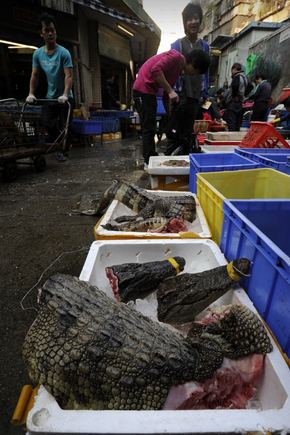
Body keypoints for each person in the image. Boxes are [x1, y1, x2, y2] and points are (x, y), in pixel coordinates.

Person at [133, 48, 210, 167]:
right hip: (143, 90)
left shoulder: (178, 70)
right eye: (195, 71)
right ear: (193, 62)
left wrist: (169, 109)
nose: (193, 74)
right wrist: (170, 90)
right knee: (148, 127)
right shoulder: (176, 57)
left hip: (150, 92)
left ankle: (151, 157)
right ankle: (148, 161)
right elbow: (155, 70)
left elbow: (165, 92)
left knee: (152, 126)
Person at [26, 13, 73, 161]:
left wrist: (65, 94)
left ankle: (63, 151)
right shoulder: (38, 54)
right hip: (50, 97)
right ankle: (59, 143)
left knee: (66, 126)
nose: (51, 33)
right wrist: (31, 93)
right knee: (46, 122)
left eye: (53, 30)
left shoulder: (64, 53)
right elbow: (35, 75)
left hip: (66, 98)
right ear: (42, 34)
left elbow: (69, 76)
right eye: (47, 30)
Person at [167, 2, 210, 154]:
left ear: (200, 21)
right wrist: (172, 92)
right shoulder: (177, 45)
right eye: (189, 19)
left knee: (191, 134)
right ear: (185, 23)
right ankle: (171, 163)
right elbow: (171, 71)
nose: (193, 22)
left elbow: (206, 71)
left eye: (196, 18)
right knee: (176, 133)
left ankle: (186, 164)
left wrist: (205, 94)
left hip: (196, 96)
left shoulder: (205, 46)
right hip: (180, 96)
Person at [223, 63, 248, 131]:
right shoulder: (245, 77)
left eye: (231, 70)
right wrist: (243, 96)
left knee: (231, 122)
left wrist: (235, 96)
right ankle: (236, 138)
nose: (231, 72)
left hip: (233, 103)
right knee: (238, 122)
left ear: (234, 69)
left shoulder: (237, 76)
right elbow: (250, 86)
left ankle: (231, 138)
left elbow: (235, 86)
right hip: (240, 103)